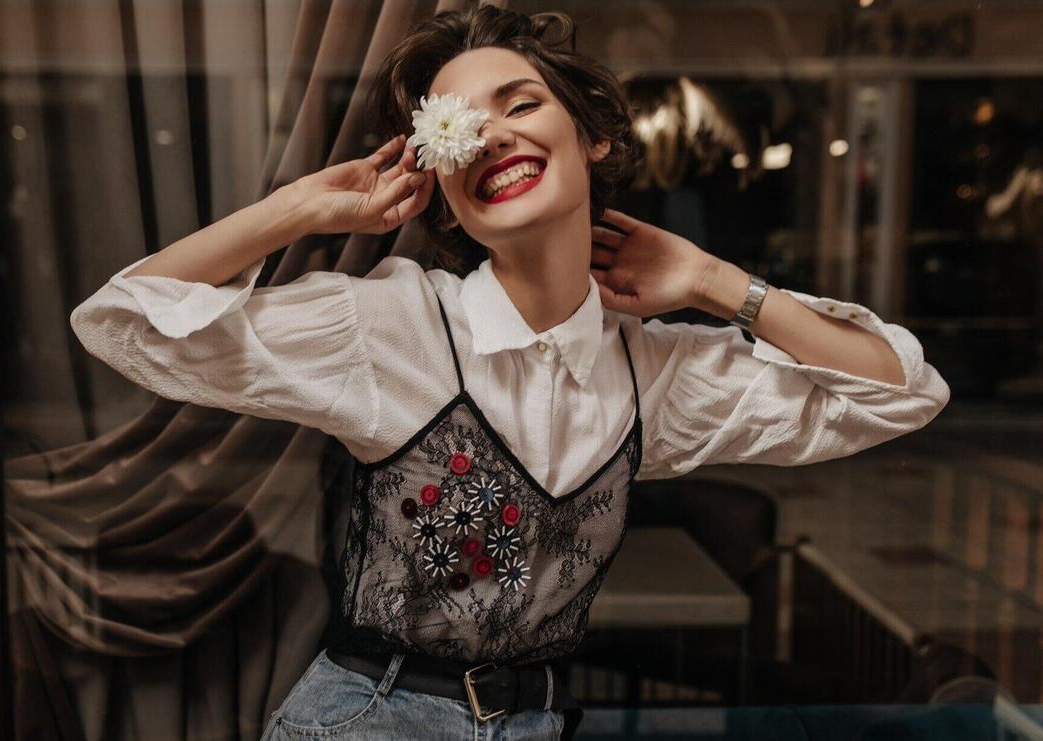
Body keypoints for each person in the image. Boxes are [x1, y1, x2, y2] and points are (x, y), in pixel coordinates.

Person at [69, 6, 950, 740]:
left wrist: (719, 285)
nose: (491, 135)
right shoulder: (391, 323)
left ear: (593, 135)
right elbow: (120, 320)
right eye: (457, 126)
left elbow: (899, 391)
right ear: (441, 178)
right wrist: (299, 208)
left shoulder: (652, 375)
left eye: (520, 103)